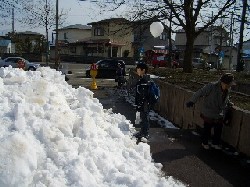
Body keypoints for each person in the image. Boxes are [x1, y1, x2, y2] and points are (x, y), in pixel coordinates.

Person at [186, 73, 236, 150]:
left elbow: (225, 98)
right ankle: (204, 143)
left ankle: (215, 143)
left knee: (218, 129)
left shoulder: (227, 89)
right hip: (209, 112)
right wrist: (192, 101)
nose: (230, 85)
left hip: (219, 113)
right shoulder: (211, 86)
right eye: (229, 84)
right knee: (207, 129)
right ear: (223, 82)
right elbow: (199, 93)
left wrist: (229, 103)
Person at [133, 62, 151, 140]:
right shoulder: (142, 79)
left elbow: (143, 94)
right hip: (142, 102)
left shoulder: (144, 80)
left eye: (138, 69)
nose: (137, 71)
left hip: (145, 103)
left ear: (143, 70)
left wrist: (140, 103)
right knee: (142, 117)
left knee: (145, 117)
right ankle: (142, 132)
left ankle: (145, 133)